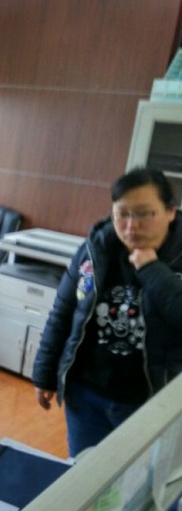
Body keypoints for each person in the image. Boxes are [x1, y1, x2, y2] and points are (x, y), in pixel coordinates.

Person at [32, 166, 182, 457]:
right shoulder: (95, 249)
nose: (131, 226)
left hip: (151, 403)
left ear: (170, 211)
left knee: (141, 480)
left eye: (144, 214)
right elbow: (63, 311)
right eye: (122, 215)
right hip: (87, 396)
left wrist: (152, 270)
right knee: (85, 474)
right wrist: (44, 373)